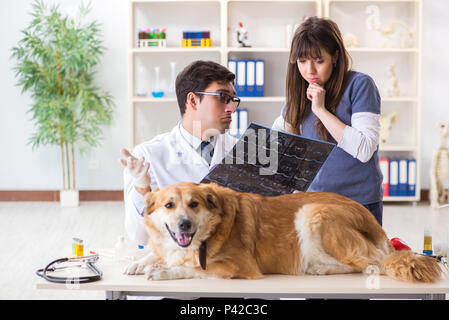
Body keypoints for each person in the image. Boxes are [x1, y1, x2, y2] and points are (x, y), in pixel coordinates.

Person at [272, 17, 384, 225]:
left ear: (335, 56)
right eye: (302, 61)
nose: (309, 71)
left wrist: (321, 110)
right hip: (314, 204)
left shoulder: (360, 85)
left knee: (362, 259)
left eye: (318, 61)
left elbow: (364, 149)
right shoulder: (298, 96)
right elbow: (276, 142)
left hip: (358, 204)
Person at [120, 60, 240, 245]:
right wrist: (141, 189)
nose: (231, 108)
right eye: (222, 97)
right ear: (192, 101)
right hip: (176, 267)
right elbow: (139, 237)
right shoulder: (149, 156)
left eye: (233, 100)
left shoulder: (242, 149)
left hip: (231, 263)